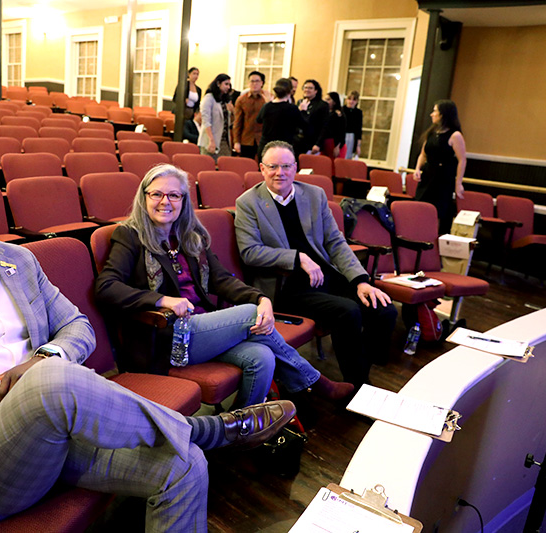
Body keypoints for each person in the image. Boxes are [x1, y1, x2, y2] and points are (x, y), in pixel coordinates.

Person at [0, 138, 295, 532]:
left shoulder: (18, 261)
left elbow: (78, 327)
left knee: (186, 465)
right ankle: (203, 429)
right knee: (47, 380)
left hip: (60, 429)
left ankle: (193, 440)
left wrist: (45, 357)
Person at [96, 164, 354, 409]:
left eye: (174, 195)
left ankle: (240, 429)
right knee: (250, 315)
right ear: (144, 197)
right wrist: (163, 300)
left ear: (184, 200)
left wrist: (261, 298)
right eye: (157, 194)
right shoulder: (129, 235)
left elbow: (221, 280)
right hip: (165, 336)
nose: (166, 201)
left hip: (204, 327)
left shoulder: (190, 237)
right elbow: (106, 287)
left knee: (262, 357)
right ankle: (317, 384)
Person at [234, 141, 397, 387]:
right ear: (262, 168)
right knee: (348, 312)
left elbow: (335, 242)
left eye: (286, 166)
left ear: (295, 168)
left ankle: (363, 365)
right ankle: (357, 386)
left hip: (326, 275)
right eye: (273, 166)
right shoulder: (248, 203)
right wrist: (297, 257)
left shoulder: (313, 195)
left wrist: (361, 281)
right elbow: (250, 252)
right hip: (287, 286)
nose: (280, 173)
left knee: (384, 309)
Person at [413, 99, 467, 235]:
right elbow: (423, 154)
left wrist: (458, 182)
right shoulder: (431, 133)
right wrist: (417, 169)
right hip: (428, 175)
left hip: (442, 178)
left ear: (443, 114)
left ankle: (432, 241)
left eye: (435, 111)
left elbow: (462, 160)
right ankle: (418, 235)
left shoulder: (455, 135)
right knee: (420, 207)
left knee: (438, 212)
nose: (432, 114)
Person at [256, 78, 306, 159]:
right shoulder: (292, 108)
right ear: (290, 92)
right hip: (284, 149)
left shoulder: (267, 106)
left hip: (266, 147)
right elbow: (304, 125)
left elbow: (258, 120)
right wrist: (303, 111)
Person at [233, 71, 270, 160]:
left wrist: (268, 102)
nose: (254, 84)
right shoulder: (241, 100)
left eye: (257, 81)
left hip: (263, 139)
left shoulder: (268, 98)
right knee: (246, 165)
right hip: (246, 139)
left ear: (262, 83)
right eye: (252, 81)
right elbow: (237, 122)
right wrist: (236, 141)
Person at [198, 73, 234, 162]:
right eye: (226, 84)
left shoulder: (225, 100)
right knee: (209, 166)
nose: (228, 87)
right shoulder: (209, 98)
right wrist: (211, 140)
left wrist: (232, 111)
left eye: (229, 84)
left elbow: (229, 122)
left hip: (224, 140)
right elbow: (206, 121)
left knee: (225, 167)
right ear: (218, 84)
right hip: (211, 139)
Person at [296, 79, 328, 155]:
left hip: (312, 143)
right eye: (305, 87)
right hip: (298, 141)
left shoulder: (322, 105)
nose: (307, 90)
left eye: (310, 88)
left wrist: (318, 144)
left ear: (316, 91)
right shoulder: (300, 102)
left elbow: (324, 127)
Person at [313, 92, 346, 158]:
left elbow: (341, 131)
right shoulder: (325, 113)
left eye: (328, 99)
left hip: (333, 142)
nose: (325, 101)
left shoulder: (338, 114)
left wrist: (337, 146)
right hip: (324, 143)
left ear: (334, 102)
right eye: (325, 99)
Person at [343, 90, 362, 159]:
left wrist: (358, 146)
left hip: (351, 136)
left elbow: (358, 130)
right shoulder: (341, 110)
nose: (351, 101)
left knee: (348, 156)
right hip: (341, 135)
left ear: (357, 101)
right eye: (349, 99)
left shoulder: (358, 112)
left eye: (354, 99)